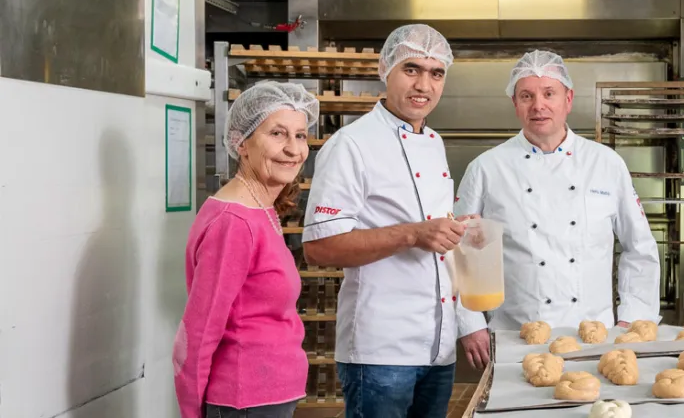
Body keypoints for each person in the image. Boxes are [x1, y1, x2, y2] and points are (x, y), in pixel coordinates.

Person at [302, 24, 481, 418]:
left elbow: (434, 237)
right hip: (380, 350)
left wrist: (455, 230)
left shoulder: (434, 143)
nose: (424, 85)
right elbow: (319, 247)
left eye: (436, 74)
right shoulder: (351, 145)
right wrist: (414, 234)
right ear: (385, 68)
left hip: (438, 347)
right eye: (412, 69)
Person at [454, 50, 662, 366]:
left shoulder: (606, 163)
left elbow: (639, 248)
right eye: (527, 95)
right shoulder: (485, 168)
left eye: (549, 93)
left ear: (568, 99)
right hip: (514, 333)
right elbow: (458, 251)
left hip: (594, 335)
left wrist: (632, 319)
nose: (538, 105)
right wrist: (470, 324)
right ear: (515, 104)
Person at [173, 80, 319, 418]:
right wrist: (193, 413)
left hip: (266, 395)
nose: (294, 150)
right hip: (244, 399)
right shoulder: (234, 222)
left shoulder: (260, 207)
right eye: (277, 134)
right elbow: (200, 329)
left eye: (300, 135)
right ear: (242, 142)